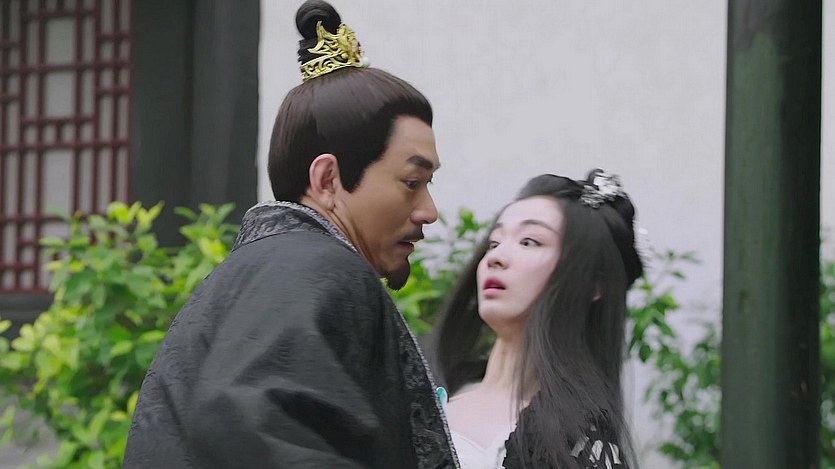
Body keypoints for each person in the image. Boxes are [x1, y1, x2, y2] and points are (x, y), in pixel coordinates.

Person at [123, 1, 459, 467]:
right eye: (411, 182)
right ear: (327, 180)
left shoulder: (266, 268)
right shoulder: (316, 266)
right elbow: (255, 429)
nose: (428, 211)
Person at [433, 170, 643, 469]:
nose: (496, 258)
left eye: (529, 242)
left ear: (592, 283)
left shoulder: (579, 449)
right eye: (494, 243)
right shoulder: (424, 394)